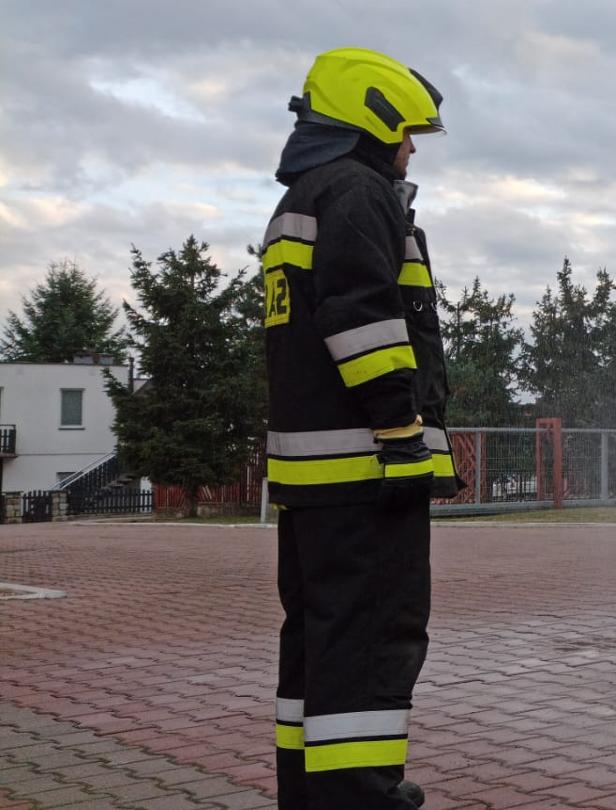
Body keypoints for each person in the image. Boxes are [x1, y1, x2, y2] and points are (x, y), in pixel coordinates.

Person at [263, 47, 461, 809]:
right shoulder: (357, 191)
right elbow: (364, 320)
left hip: (316, 479)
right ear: (372, 120)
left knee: (319, 639)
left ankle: (312, 791)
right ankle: (359, 796)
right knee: (373, 638)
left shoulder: (304, 197)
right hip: (364, 473)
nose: (411, 148)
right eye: (407, 132)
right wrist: (402, 432)